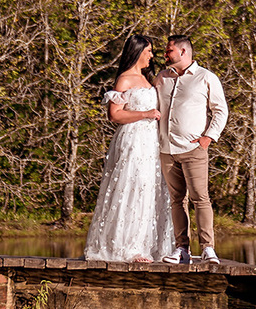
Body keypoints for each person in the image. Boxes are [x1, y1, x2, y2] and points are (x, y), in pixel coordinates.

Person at [83, 34, 177, 263]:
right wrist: (145, 114)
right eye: (148, 51)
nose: (151, 56)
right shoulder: (124, 80)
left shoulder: (148, 79)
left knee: (150, 188)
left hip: (151, 142)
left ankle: (149, 244)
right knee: (132, 186)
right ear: (137, 52)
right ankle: (128, 246)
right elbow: (115, 114)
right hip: (133, 139)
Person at [155, 34, 228, 266]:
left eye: (169, 51)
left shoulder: (206, 77)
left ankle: (207, 248)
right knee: (177, 200)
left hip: (193, 149)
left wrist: (209, 137)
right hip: (166, 149)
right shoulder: (162, 77)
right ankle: (182, 249)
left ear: (183, 51)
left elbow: (221, 110)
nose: (165, 55)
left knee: (200, 198)